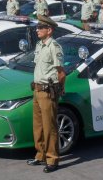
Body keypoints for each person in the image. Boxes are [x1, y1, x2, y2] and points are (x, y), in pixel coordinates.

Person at [27, 14, 65, 173]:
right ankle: (40, 155)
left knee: (50, 126)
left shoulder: (54, 47)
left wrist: (59, 90)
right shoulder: (40, 45)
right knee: (38, 126)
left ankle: (52, 159)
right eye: (37, 27)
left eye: (40, 28)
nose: (37, 30)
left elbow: (61, 73)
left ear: (49, 30)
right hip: (37, 89)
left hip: (48, 91)